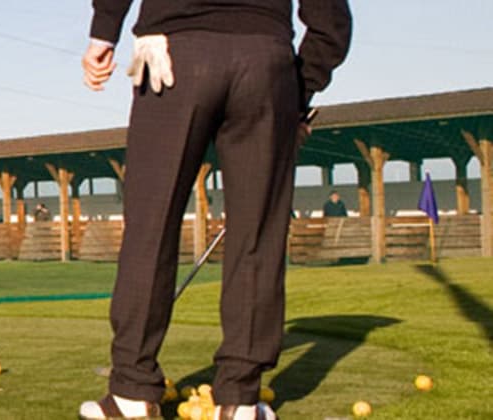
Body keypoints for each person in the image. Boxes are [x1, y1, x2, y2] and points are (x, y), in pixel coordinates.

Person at [78, 0, 350, 419]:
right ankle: (238, 400)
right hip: (266, 62)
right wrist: (297, 89)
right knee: (257, 236)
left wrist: (104, 31)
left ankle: (133, 393)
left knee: (151, 227)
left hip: (172, 55)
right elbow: (331, 19)